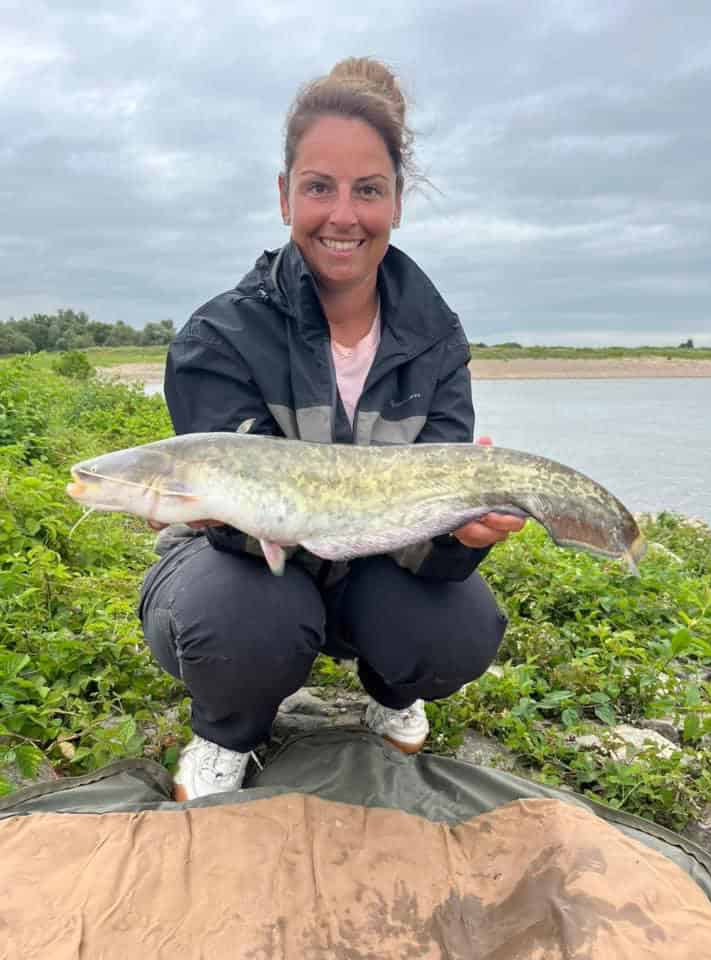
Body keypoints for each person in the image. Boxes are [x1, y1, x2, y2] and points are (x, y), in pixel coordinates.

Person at [139, 57, 525, 801]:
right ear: (285, 196)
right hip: (246, 570)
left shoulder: (437, 339)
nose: (342, 215)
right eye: (319, 187)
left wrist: (457, 535)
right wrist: (217, 505)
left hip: (375, 564)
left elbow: (434, 544)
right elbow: (229, 528)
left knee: (459, 629)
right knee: (245, 616)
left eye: (368, 190)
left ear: (397, 203)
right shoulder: (217, 337)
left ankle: (390, 688)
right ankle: (228, 728)